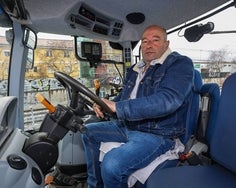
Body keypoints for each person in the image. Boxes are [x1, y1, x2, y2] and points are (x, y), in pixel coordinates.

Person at [82, 25, 195, 188]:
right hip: (128, 125)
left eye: (155, 40)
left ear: (166, 44)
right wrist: (105, 104)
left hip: (157, 133)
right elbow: (124, 97)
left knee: (112, 164)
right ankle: (95, 185)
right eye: (144, 41)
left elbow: (168, 100)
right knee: (88, 131)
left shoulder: (180, 64)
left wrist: (118, 107)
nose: (149, 45)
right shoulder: (136, 69)